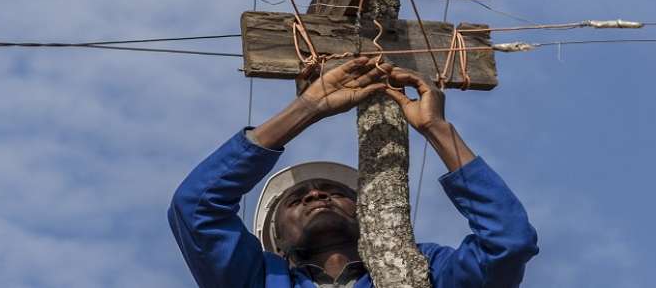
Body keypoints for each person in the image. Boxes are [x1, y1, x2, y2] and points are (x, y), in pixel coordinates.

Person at [168, 57, 539, 288]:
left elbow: (508, 244)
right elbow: (195, 208)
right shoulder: (260, 280)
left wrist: (437, 129)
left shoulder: (425, 269)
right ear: (275, 240)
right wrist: (308, 108)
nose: (315, 195)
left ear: (369, 214)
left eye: (333, 191)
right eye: (297, 199)